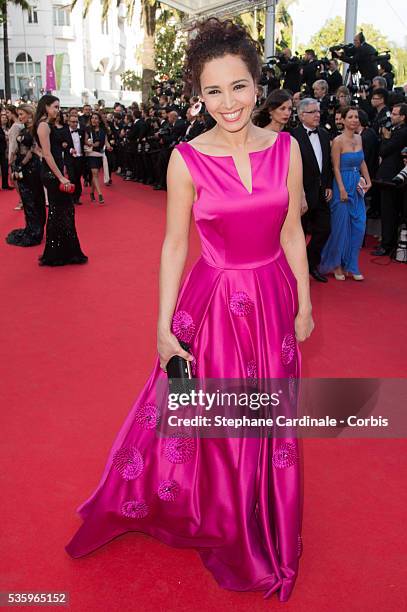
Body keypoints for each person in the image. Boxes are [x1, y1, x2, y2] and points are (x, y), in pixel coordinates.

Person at [65, 17, 314, 603]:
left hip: (273, 299)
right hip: (217, 305)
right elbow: (175, 244)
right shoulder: (185, 159)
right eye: (212, 91)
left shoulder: (287, 147)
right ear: (197, 95)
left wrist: (304, 302)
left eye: (238, 87)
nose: (228, 103)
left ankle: (265, 520)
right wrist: (161, 325)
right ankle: (229, 522)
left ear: (257, 85)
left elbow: (294, 234)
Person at [33, 95, 88, 266]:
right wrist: (61, 176)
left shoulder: (48, 125)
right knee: (59, 212)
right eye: (55, 106)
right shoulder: (43, 126)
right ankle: (56, 254)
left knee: (62, 212)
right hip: (52, 175)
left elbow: (43, 151)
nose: (58, 110)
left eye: (58, 106)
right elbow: (47, 154)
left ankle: (62, 252)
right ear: (46, 107)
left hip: (54, 172)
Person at [319, 107, 371, 280]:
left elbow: (361, 160)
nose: (354, 119)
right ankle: (337, 264)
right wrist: (341, 188)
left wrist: (368, 180)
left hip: (356, 185)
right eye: (350, 117)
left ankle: (352, 264)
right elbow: (335, 167)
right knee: (340, 228)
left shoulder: (359, 138)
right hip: (341, 184)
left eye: (356, 116)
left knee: (359, 226)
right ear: (343, 120)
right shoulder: (338, 141)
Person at [292, 98, 333, 282]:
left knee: (324, 230)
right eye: (312, 112)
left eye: (318, 111)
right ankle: (294, 270)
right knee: (297, 234)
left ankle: (310, 263)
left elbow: (327, 165)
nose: (317, 115)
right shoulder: (292, 136)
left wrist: (328, 185)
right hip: (300, 194)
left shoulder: (324, 135)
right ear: (301, 115)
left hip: (322, 193)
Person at [5, 105, 46, 247]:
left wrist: (21, 164)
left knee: (34, 198)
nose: (19, 117)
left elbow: (33, 149)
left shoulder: (35, 129)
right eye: (18, 114)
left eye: (21, 114)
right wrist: (15, 164)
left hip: (31, 167)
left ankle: (36, 230)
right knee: (26, 198)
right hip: (21, 165)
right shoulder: (22, 129)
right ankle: (32, 227)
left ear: (29, 114)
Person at [372, 103, 407, 256]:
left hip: (392, 178)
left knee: (389, 212)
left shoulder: (402, 133)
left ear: (403, 117)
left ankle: (387, 245)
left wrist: (386, 138)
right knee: (388, 211)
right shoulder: (398, 131)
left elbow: (384, 151)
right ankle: (388, 243)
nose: (391, 116)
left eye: (394, 114)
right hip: (390, 177)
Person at [84, 112, 106, 204]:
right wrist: (91, 144)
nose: (94, 120)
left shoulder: (103, 130)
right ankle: (100, 194)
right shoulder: (88, 129)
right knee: (95, 173)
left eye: (96, 118)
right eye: (92, 118)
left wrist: (108, 146)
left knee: (95, 175)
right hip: (91, 153)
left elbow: (106, 140)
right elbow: (85, 140)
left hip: (100, 154)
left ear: (99, 120)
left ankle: (92, 192)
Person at [65, 114, 86, 205]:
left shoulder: (81, 131)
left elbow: (84, 142)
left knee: (77, 178)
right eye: (73, 122)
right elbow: (62, 144)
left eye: (76, 122)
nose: (75, 124)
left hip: (80, 158)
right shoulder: (65, 132)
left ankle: (77, 197)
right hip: (70, 158)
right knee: (72, 177)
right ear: (68, 122)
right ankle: (71, 197)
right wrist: (70, 149)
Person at [0, 109, 13, 190]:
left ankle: (5, 184)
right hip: (2, 149)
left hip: (4, 150)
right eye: (2, 117)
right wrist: (5, 137)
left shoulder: (8, 127)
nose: (5, 119)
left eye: (6, 117)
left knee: (5, 168)